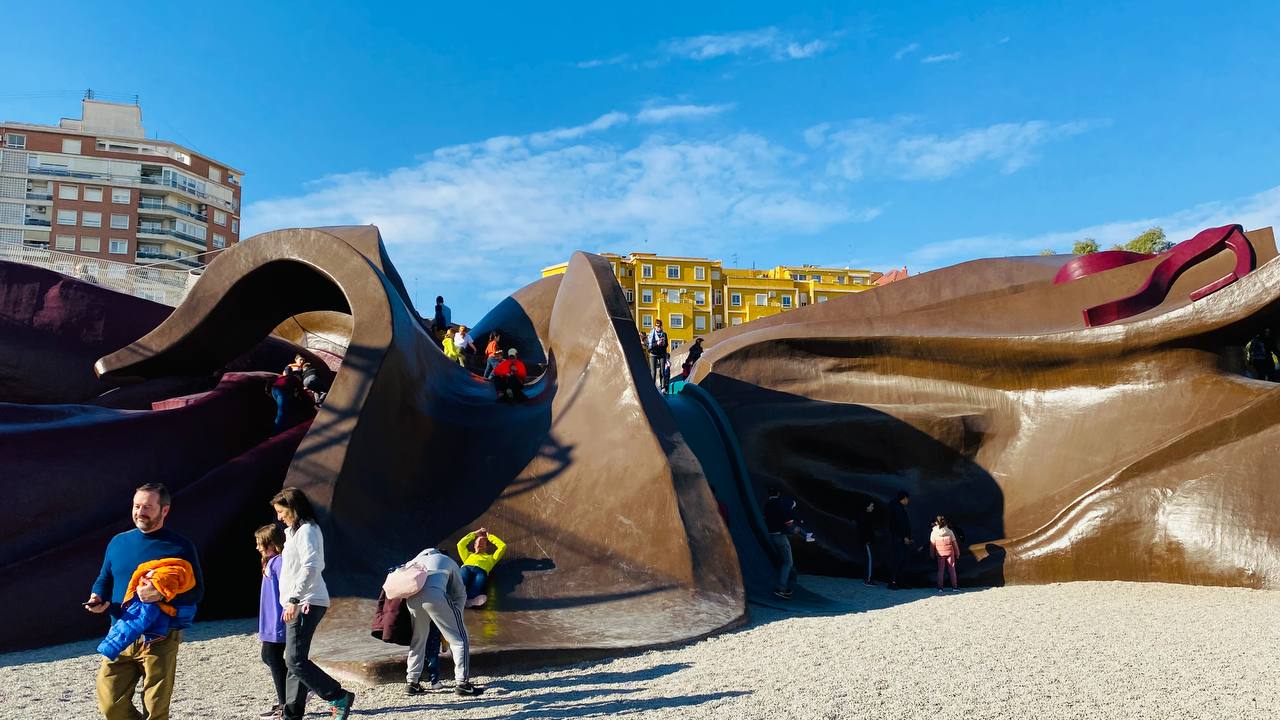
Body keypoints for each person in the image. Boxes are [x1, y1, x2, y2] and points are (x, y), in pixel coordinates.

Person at [86, 483, 204, 720]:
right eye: (137, 506)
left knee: (155, 710)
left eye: (148, 507)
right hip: (120, 632)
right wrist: (97, 597)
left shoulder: (180, 546)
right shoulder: (118, 542)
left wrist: (162, 594)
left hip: (160, 636)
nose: (140, 512)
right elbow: (105, 578)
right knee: (110, 704)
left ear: (164, 510)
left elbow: (197, 592)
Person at [271, 488, 356, 720]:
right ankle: (292, 713)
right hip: (297, 602)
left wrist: (295, 599)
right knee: (295, 660)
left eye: (281, 511)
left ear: (294, 508)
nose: (279, 517)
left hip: (305, 602)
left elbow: (312, 566)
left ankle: (338, 696)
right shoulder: (292, 533)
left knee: (294, 659)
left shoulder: (308, 530)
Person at [403, 547, 483, 697]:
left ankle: (412, 683)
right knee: (459, 639)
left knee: (418, 640)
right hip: (435, 595)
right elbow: (460, 592)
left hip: (412, 599)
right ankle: (463, 684)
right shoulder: (447, 561)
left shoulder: (413, 562)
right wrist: (456, 617)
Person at [256, 524, 288, 719]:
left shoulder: (280, 562)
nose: (258, 547)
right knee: (269, 657)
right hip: (270, 620)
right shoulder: (271, 562)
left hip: (278, 620)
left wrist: (286, 610)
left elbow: (287, 589)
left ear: (272, 544)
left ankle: (287, 701)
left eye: (260, 544)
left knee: (273, 657)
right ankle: (289, 696)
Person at [763, 487, 815, 599]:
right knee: (788, 562)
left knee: (784, 561)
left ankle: (784, 584)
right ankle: (781, 588)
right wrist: (802, 533)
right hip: (780, 536)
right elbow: (789, 523)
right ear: (778, 493)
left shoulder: (767, 504)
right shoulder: (779, 505)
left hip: (772, 535)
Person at [456, 528, 507, 607]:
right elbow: (460, 544)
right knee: (463, 577)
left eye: (483, 542)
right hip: (467, 568)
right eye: (478, 541)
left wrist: (489, 537)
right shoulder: (468, 555)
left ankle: (470, 600)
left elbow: (502, 547)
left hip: (481, 571)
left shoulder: (491, 558)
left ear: (486, 547)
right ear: (474, 545)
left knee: (479, 582)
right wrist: (475, 534)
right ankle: (455, 595)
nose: (480, 543)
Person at [887, 490, 914, 590]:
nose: (908, 501)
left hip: (900, 538)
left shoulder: (899, 508)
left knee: (902, 560)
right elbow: (899, 524)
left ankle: (899, 582)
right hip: (898, 538)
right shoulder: (897, 509)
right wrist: (904, 537)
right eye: (907, 499)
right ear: (904, 498)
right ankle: (893, 582)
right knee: (898, 560)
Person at [270, 371, 306, 435]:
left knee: (284, 409)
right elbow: (300, 391)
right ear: (297, 375)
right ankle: (276, 432)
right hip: (281, 391)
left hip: (274, 390)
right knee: (281, 412)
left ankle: (283, 427)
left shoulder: (284, 377)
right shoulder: (294, 378)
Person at [930, 516, 960, 592]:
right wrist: (957, 552)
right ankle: (955, 587)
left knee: (940, 571)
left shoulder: (934, 532)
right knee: (952, 570)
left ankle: (940, 588)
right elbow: (954, 543)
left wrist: (932, 554)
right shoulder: (950, 531)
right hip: (950, 553)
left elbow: (932, 545)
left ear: (936, 522)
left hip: (940, 554)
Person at [646, 319, 670, 390]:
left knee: (662, 371)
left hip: (662, 354)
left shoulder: (664, 334)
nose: (658, 328)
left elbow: (666, 345)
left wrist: (663, 344)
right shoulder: (651, 334)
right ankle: (652, 387)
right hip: (653, 354)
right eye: (656, 326)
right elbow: (649, 346)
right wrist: (657, 343)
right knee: (653, 372)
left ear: (661, 326)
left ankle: (663, 387)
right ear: (655, 326)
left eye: (659, 326)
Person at [859, 501, 877, 586]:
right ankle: (868, 579)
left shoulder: (868, 516)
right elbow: (863, 530)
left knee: (869, 560)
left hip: (868, 541)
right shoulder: (863, 516)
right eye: (871, 506)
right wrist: (866, 540)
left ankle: (868, 578)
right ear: (867, 507)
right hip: (866, 541)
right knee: (870, 560)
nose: (872, 508)